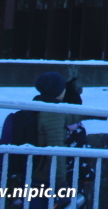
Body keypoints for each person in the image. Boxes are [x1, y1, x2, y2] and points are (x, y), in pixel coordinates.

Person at [31, 71, 84, 206]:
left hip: (34, 171)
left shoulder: (36, 105)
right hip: (45, 176)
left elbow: (69, 117)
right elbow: (55, 150)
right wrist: (61, 182)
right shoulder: (53, 113)